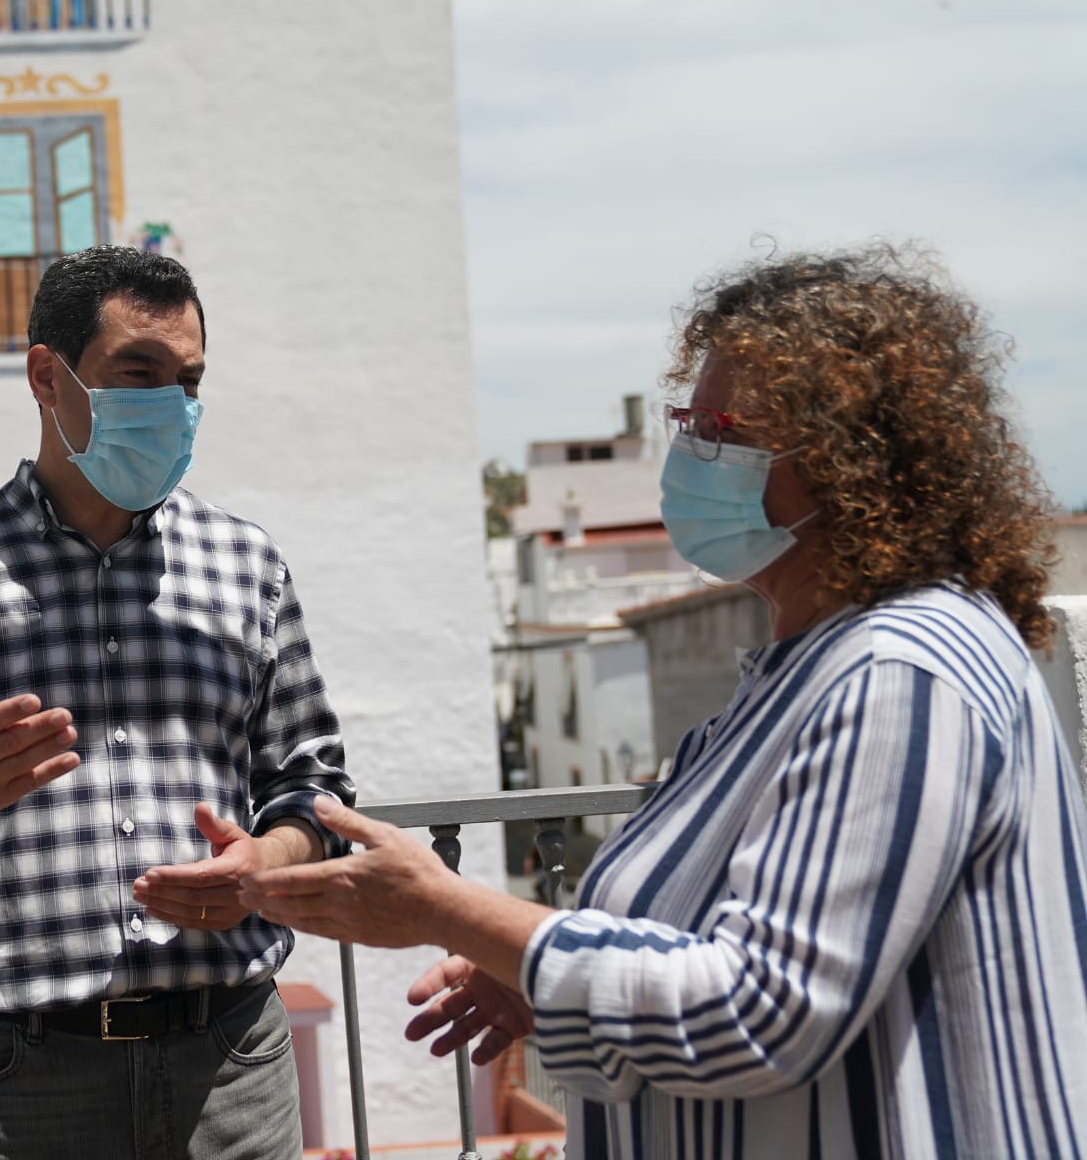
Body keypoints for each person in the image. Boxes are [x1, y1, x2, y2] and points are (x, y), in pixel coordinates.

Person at [242, 248, 1087, 1159]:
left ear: (849, 462)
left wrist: (442, 909)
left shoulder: (902, 672)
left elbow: (761, 1009)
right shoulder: (804, 671)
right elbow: (742, 932)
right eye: (689, 419)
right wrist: (542, 976)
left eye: (718, 427)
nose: (687, 450)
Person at [0, 245, 355, 1160]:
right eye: (137, 373)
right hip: (12, 1087)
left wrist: (264, 860)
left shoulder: (247, 565)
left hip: (229, 1066)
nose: (173, 405)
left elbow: (316, 787)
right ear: (45, 375)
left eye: (188, 381)